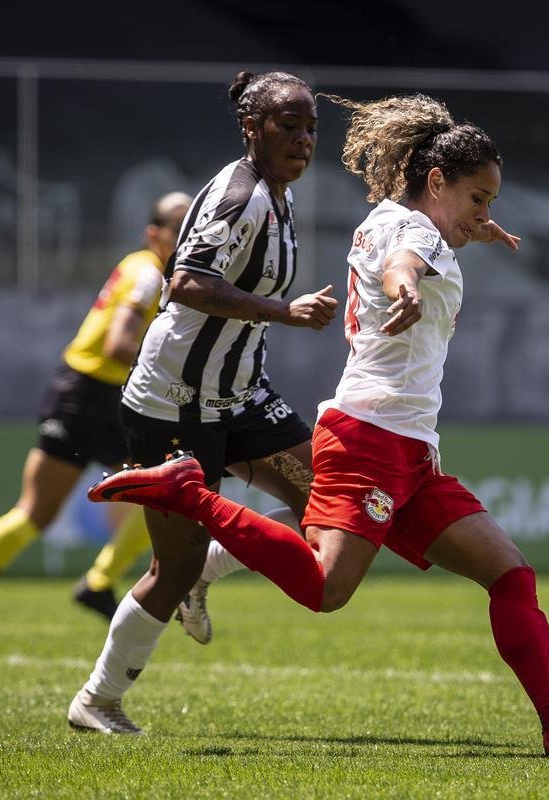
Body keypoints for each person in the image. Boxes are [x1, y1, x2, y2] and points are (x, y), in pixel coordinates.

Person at [85, 93, 549, 758]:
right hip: (370, 441)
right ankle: (188, 494)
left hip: (407, 449)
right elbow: (406, 263)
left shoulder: (390, 216)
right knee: (328, 589)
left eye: (491, 204)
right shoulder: (414, 238)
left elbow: (413, 241)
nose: (484, 214)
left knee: (510, 574)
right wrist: (409, 285)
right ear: (437, 181)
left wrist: (465, 234)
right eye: (478, 199)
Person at [65, 69, 338, 734]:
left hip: (239, 396)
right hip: (175, 403)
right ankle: (97, 701)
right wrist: (286, 312)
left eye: (310, 128)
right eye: (288, 126)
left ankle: (207, 572)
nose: (303, 140)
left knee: (326, 503)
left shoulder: (278, 194)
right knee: (170, 563)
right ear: (252, 128)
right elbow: (184, 283)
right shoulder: (239, 195)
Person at [0, 190, 192, 635]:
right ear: (154, 234)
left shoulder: (144, 268)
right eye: (177, 229)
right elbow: (118, 344)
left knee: (163, 495)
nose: (186, 237)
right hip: (85, 395)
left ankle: (97, 583)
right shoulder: (148, 274)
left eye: (191, 228)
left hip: (107, 395)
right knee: (39, 512)